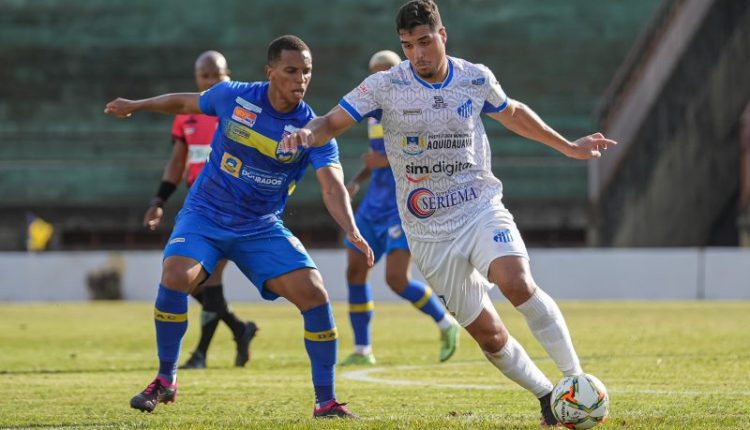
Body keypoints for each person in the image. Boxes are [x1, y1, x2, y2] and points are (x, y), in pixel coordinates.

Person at [280, 1, 616, 426]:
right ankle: (548, 396)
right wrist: (305, 133)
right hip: (428, 233)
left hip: (479, 207)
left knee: (516, 281)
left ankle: (576, 380)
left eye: (424, 42)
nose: (417, 54)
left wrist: (568, 147)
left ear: (442, 35)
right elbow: (330, 122)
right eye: (408, 46)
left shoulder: (475, 77)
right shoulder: (385, 85)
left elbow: (512, 113)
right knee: (489, 335)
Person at [105, 35, 374, 418]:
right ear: (270, 72)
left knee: (315, 294)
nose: (301, 79)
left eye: (307, 71)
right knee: (176, 274)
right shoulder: (234, 96)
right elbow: (183, 103)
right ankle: (165, 380)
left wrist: (351, 228)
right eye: (291, 70)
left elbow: (332, 187)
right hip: (206, 214)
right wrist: (137, 105)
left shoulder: (313, 129)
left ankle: (326, 402)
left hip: (260, 226)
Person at [341, 49, 459, 366]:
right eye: (375, 74)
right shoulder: (372, 113)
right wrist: (356, 180)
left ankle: (446, 323)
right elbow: (376, 157)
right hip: (373, 204)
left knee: (396, 279)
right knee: (354, 271)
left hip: (403, 204)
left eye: (386, 72)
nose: (381, 78)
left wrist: (385, 160)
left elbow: (429, 153)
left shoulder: (415, 107)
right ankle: (363, 349)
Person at [143, 50, 257, 370]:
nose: (210, 81)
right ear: (196, 78)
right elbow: (178, 162)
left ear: (228, 75)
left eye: (216, 75)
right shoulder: (186, 115)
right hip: (199, 207)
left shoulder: (240, 109)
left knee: (210, 279)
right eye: (204, 76)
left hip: (233, 205)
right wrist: (159, 201)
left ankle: (201, 354)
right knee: (192, 282)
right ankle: (239, 329)